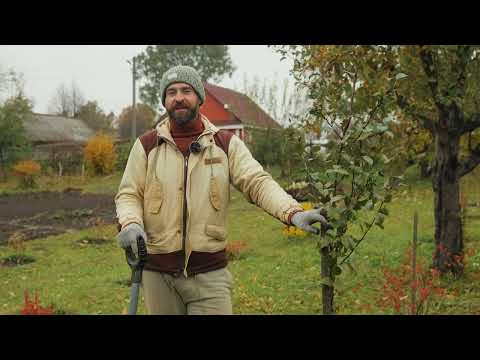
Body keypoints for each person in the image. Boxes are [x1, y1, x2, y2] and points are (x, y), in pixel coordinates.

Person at [115, 65, 328, 315]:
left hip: (209, 275)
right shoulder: (147, 146)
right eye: (171, 92)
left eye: (186, 90)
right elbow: (129, 194)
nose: (179, 97)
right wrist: (130, 223)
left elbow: (257, 182)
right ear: (165, 100)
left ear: (199, 98)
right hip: (157, 275)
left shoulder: (225, 145)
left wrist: (293, 212)